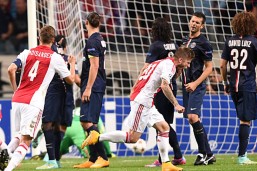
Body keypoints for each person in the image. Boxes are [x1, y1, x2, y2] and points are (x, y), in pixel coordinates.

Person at [81, 46, 194, 171]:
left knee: (164, 128)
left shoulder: (162, 62)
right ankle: (97, 137)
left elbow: (145, 71)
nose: (188, 66)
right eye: (188, 62)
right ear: (180, 60)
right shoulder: (169, 65)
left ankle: (166, 164)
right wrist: (176, 104)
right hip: (143, 100)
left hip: (145, 99)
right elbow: (164, 85)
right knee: (132, 137)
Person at [2, 25, 75, 171]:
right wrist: (72, 64)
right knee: (26, 141)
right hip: (33, 103)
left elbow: (11, 69)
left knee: (19, 136)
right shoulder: (55, 58)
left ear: (39, 38)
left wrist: (15, 90)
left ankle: (4, 156)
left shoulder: (26, 52)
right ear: (53, 40)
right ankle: (7, 169)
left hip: (17, 99)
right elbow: (71, 80)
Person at [220, 11, 257, 165]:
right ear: (251, 25)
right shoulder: (255, 42)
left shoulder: (229, 42)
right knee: (245, 121)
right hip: (247, 86)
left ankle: (243, 155)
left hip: (233, 87)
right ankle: (242, 157)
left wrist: (225, 83)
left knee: (242, 120)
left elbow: (222, 65)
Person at [138, 17, 185, 168]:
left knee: (162, 124)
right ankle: (175, 156)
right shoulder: (175, 45)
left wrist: (140, 82)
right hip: (172, 86)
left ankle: (170, 157)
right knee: (166, 124)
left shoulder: (156, 46)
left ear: (155, 31)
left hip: (160, 88)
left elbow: (146, 68)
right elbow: (179, 67)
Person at [35, 35, 80, 169]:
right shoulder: (68, 59)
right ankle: (54, 159)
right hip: (67, 97)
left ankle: (52, 159)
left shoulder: (51, 58)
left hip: (54, 95)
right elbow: (75, 79)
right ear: (65, 47)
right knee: (61, 128)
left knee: (50, 125)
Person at [73, 11, 109, 169]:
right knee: (88, 122)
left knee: (87, 122)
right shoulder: (99, 39)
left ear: (86, 23)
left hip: (93, 86)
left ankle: (103, 157)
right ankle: (93, 158)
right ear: (99, 23)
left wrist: (87, 88)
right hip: (95, 84)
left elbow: (94, 66)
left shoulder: (93, 42)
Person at [181, 12, 216, 165]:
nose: (194, 24)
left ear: (202, 26)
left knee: (192, 117)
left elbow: (209, 67)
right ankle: (209, 153)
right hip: (185, 85)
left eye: (197, 22)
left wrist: (195, 83)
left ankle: (203, 154)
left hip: (197, 85)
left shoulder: (204, 43)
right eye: (192, 21)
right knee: (193, 119)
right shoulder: (184, 40)